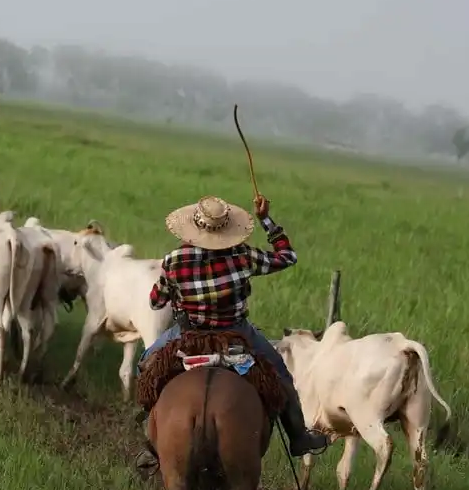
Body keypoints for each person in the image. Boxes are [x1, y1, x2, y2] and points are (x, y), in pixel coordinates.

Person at [132, 193, 329, 469]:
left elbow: (156, 301)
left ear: (195, 227)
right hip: (237, 334)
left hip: (188, 335)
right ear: (227, 229)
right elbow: (288, 257)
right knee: (281, 375)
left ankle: (152, 441)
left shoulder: (175, 259)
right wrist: (266, 220)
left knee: (145, 366)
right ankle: (298, 437)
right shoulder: (243, 255)